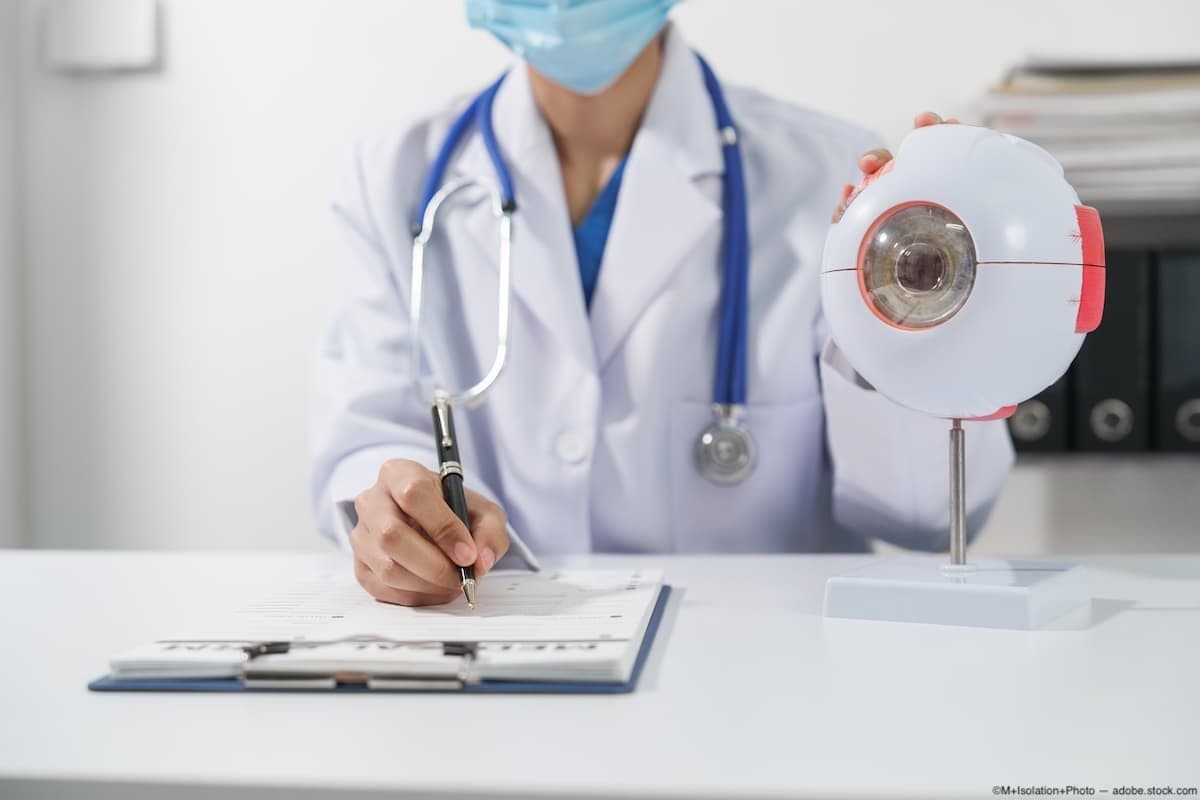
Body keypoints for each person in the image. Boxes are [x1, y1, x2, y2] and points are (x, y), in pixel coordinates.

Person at [311, 0, 1015, 606]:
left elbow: (932, 517)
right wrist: (400, 512)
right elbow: (368, 437)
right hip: (498, 668)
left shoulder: (833, 179)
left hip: (761, 686)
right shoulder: (395, 174)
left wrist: (911, 322)